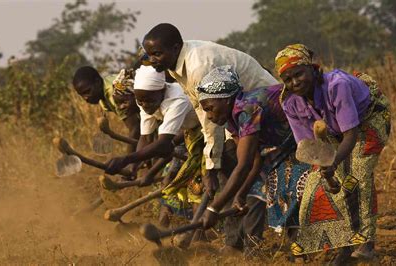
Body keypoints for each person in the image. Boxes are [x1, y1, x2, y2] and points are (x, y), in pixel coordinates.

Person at [275, 44, 391, 264]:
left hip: (367, 121)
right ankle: (343, 245)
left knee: (357, 175)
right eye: (288, 79)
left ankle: (365, 242)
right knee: (314, 187)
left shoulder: (337, 86)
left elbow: (351, 134)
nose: (295, 82)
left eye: (299, 74)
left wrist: (335, 162)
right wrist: (326, 171)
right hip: (332, 129)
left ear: (313, 68)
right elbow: (308, 145)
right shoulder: (290, 102)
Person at [142, 23, 279, 196]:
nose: (152, 60)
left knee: (233, 162)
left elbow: (211, 118)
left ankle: (242, 208)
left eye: (157, 54)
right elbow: (203, 110)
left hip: (264, 109)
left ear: (175, 48)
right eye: (150, 54)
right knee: (234, 165)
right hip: (237, 116)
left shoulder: (199, 66)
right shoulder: (177, 64)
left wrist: (211, 166)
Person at [196, 66, 311, 255]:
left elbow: (243, 166)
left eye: (210, 108)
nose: (209, 115)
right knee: (261, 189)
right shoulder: (232, 119)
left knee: (287, 191)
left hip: (306, 133)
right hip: (282, 146)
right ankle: (291, 249)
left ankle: (301, 250)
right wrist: (240, 195)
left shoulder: (247, 108)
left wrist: (214, 208)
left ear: (225, 100)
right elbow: (254, 160)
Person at [104, 65, 208, 225]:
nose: (144, 105)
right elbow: (145, 138)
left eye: (148, 100)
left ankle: (199, 234)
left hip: (208, 130)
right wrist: (134, 167)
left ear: (162, 91)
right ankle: (174, 229)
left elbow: (162, 145)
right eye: (140, 101)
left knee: (198, 184)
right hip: (188, 133)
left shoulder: (176, 100)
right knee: (178, 180)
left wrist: (126, 159)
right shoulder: (145, 100)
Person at [72, 66, 140, 154]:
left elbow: (135, 128)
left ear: (97, 82)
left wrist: (129, 160)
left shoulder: (113, 93)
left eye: (87, 91)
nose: (85, 98)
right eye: (82, 95)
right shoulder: (104, 90)